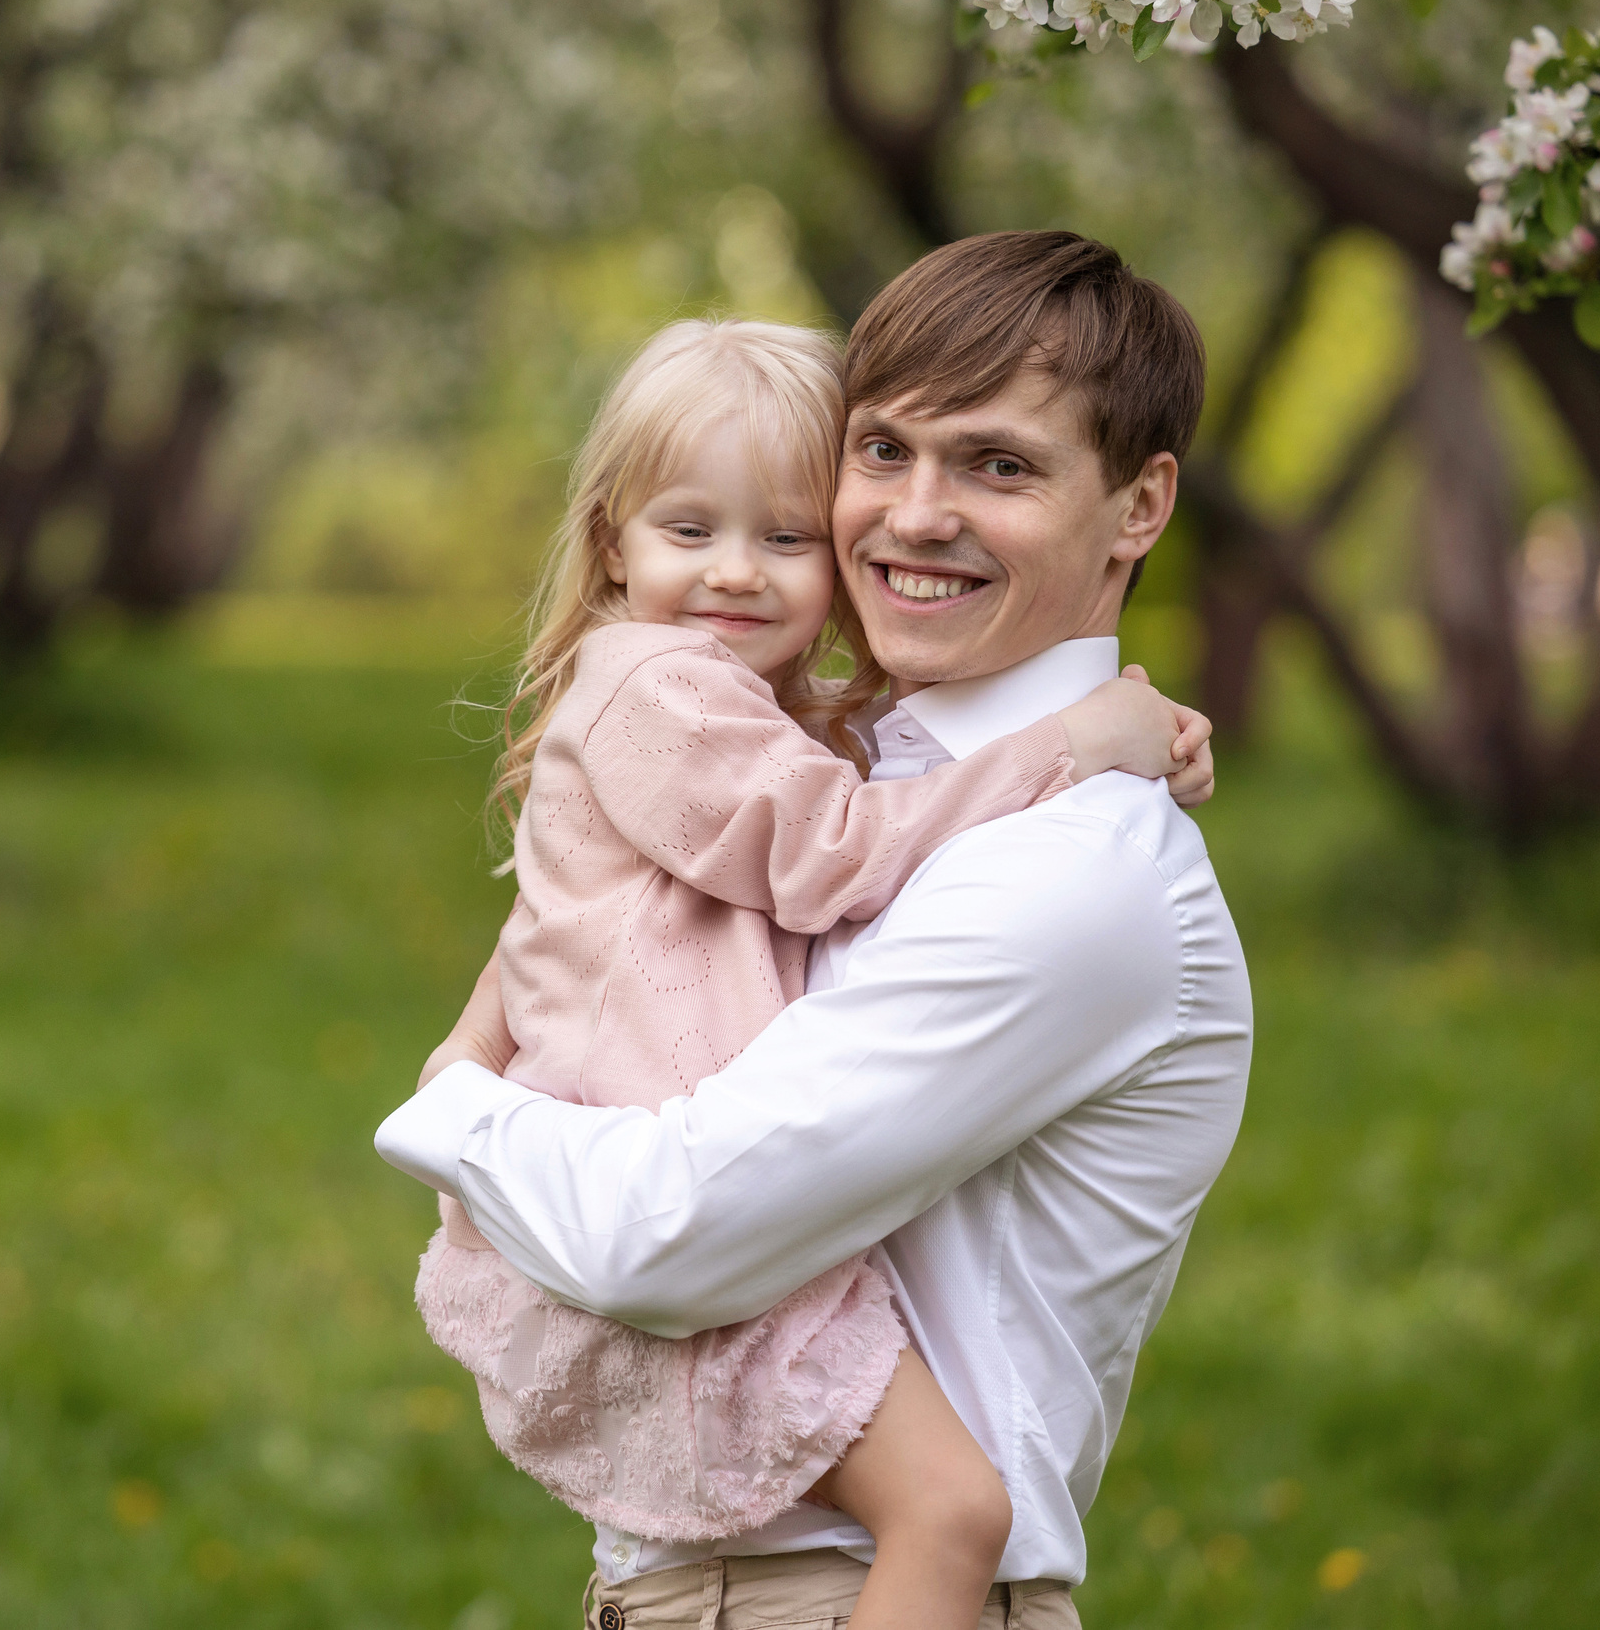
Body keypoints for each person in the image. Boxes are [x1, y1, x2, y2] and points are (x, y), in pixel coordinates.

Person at [379, 231, 1255, 1630]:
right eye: (884, 451)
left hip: (829, 1595)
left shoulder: (1062, 872)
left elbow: (664, 1239)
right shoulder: (848, 753)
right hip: (707, 1580)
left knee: (946, 1509)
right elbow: (598, 905)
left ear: (1141, 505)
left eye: (999, 465)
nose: (913, 516)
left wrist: (456, 1114)